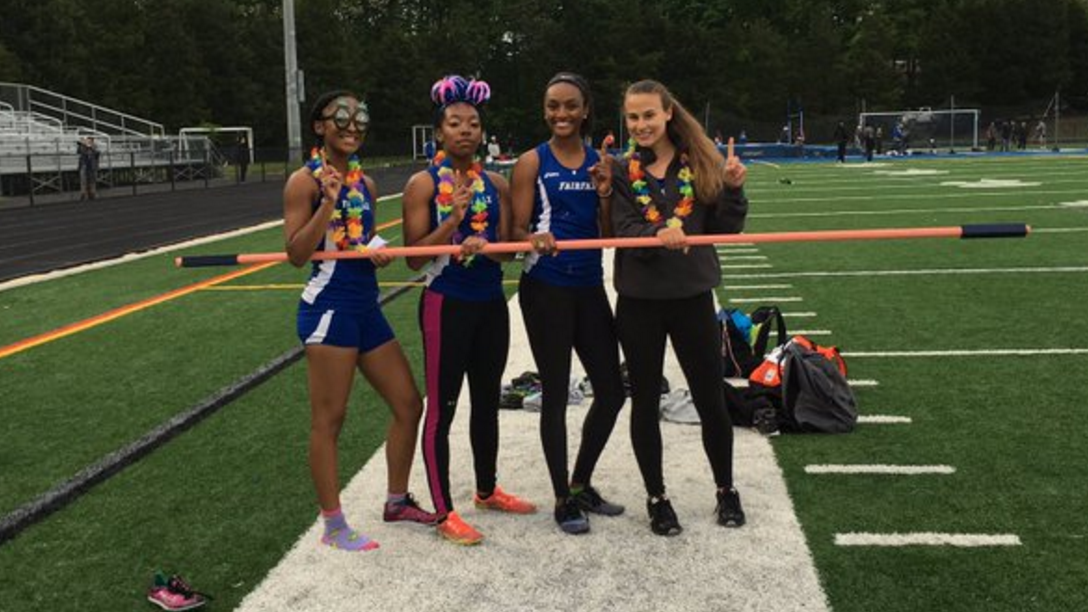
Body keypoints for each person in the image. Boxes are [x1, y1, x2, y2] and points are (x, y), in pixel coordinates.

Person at [283, 90, 438, 553]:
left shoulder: (365, 184)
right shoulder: (303, 183)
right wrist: (327, 203)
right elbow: (296, 254)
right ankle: (333, 526)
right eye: (341, 117)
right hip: (329, 308)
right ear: (319, 126)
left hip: (366, 305)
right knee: (330, 419)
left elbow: (359, 240)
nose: (352, 125)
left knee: (409, 403)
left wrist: (375, 250)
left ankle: (396, 500)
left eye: (360, 118)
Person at [402, 75, 536, 546]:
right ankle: (443, 511)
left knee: (487, 402)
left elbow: (505, 254)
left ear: (482, 133)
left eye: (473, 123)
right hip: (446, 304)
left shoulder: (496, 183)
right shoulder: (421, 184)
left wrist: (522, 242)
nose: (465, 130)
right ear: (438, 133)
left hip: (490, 303)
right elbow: (415, 257)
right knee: (441, 409)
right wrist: (454, 223)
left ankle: (485, 488)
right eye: (454, 123)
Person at [610, 79, 748, 536]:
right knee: (646, 401)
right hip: (640, 303)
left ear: (668, 113)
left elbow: (725, 231)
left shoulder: (701, 160)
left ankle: (726, 489)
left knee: (710, 397)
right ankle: (657, 497)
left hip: (692, 298)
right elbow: (624, 230)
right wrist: (656, 237)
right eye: (633, 117)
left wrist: (732, 189)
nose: (641, 124)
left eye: (649, 114)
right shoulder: (618, 169)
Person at [509, 72, 627, 535]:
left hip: (590, 286)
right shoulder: (530, 162)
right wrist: (532, 238)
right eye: (553, 105)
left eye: (570, 106)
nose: (561, 114)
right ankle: (562, 499)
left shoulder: (604, 162)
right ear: (545, 111)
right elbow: (514, 231)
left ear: (585, 110)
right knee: (556, 393)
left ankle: (580, 482)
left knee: (612, 392)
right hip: (546, 290)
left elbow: (610, 235)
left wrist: (603, 192)